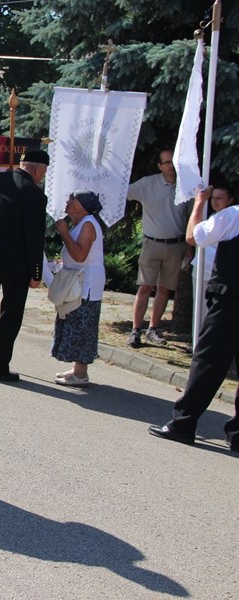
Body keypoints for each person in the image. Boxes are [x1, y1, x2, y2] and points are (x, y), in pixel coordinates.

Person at [148, 186, 239, 451]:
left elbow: (193, 236)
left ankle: (183, 423)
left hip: (230, 301)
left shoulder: (232, 215)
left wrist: (199, 202)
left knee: (208, 362)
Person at [0, 149, 49, 382]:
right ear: (37, 170)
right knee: (11, 312)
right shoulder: (35, 194)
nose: (42, 177)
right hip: (16, 260)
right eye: (43, 172)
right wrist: (36, 272)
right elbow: (35, 237)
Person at [125, 149, 192, 348]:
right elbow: (123, 193)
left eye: (174, 162)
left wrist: (189, 248)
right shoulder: (148, 184)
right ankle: (136, 330)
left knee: (164, 289)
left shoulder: (185, 187)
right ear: (160, 166)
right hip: (151, 244)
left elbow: (191, 219)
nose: (171, 166)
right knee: (145, 286)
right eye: (167, 162)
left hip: (176, 245)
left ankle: (153, 329)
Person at [50, 190, 105, 387]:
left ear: (84, 206)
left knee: (82, 326)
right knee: (75, 322)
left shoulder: (88, 224)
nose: (68, 202)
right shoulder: (82, 223)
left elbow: (80, 256)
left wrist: (64, 232)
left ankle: (81, 374)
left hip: (86, 285)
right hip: (79, 283)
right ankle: (77, 370)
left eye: (73, 200)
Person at [190, 186, 236, 323]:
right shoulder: (209, 218)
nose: (215, 201)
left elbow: (192, 238)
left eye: (220, 198)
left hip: (219, 276)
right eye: (213, 198)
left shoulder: (231, 219)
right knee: (199, 313)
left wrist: (199, 202)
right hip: (201, 269)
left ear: (230, 200)